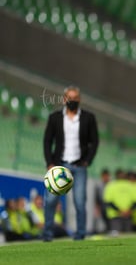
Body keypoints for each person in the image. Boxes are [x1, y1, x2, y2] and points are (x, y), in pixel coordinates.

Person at [43, 86, 99, 241]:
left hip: (79, 166)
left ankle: (80, 234)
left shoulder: (89, 118)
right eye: (69, 98)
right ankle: (47, 234)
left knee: (80, 202)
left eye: (75, 98)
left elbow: (94, 141)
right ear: (63, 99)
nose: (72, 101)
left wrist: (87, 160)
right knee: (50, 200)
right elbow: (48, 141)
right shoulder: (54, 118)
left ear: (79, 100)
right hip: (58, 165)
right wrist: (49, 163)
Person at [93, 168, 111, 234]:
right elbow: (97, 197)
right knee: (102, 218)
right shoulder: (99, 185)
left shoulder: (111, 184)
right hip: (102, 204)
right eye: (104, 176)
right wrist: (97, 207)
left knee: (110, 219)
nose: (106, 178)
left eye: (107, 176)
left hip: (110, 204)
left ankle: (110, 230)